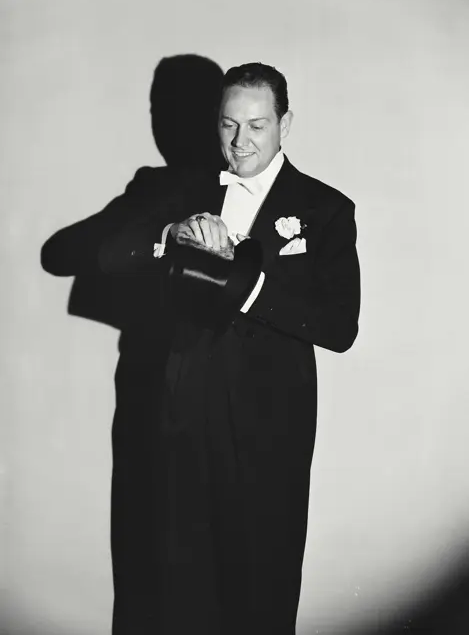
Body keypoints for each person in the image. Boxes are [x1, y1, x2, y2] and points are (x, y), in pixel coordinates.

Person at [41, 62, 360, 635]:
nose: (240, 143)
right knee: (175, 594)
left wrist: (245, 283)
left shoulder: (326, 209)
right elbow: (65, 253)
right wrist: (168, 237)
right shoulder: (170, 189)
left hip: (271, 434)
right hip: (178, 424)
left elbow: (340, 327)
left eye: (258, 126)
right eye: (228, 125)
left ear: (286, 124)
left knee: (263, 590)